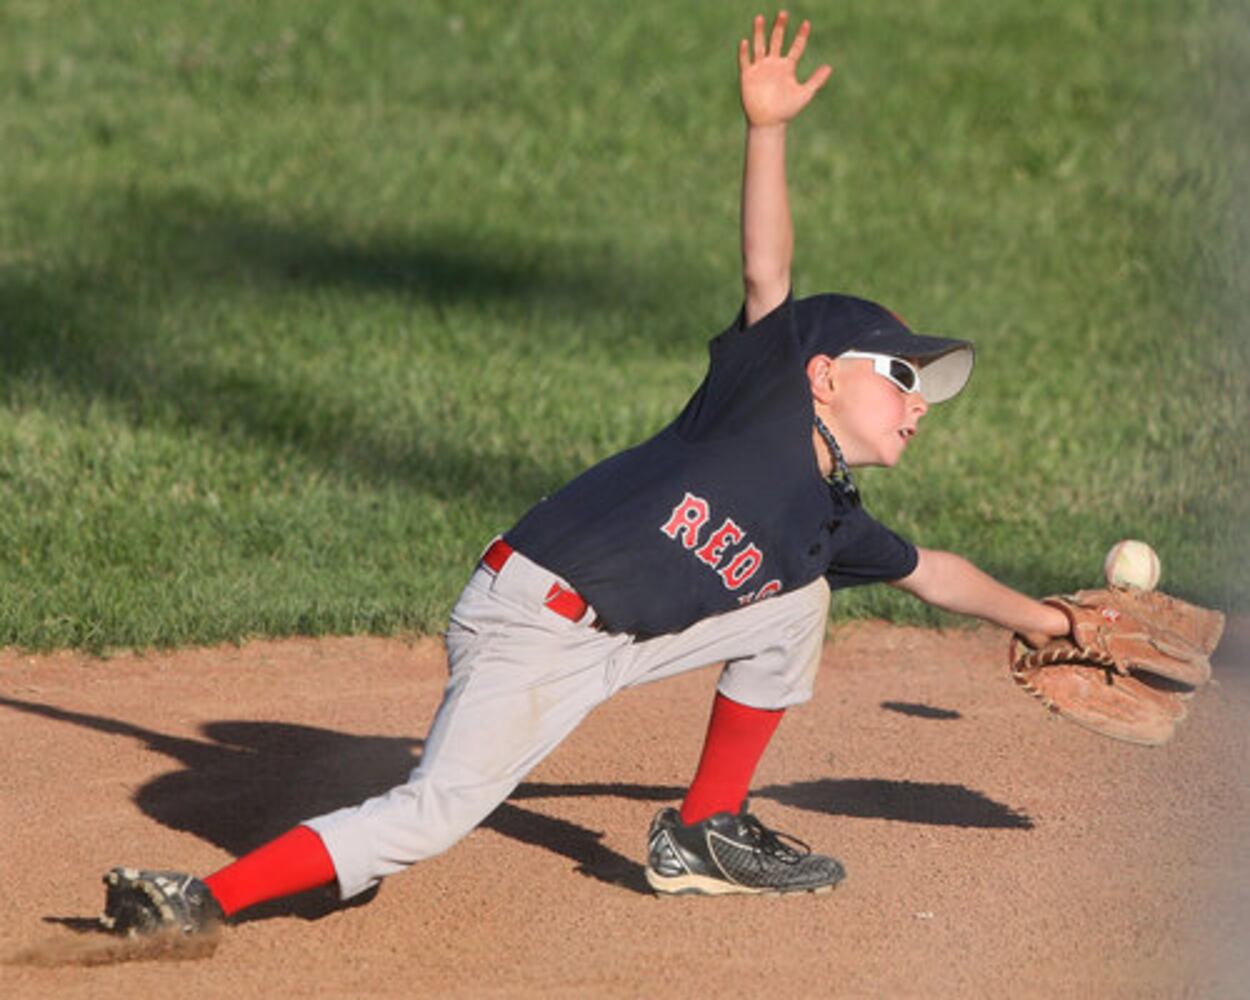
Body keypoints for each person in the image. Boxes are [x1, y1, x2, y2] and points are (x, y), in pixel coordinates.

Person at [100, 11, 1069, 935]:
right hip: (531, 621)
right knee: (433, 813)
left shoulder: (825, 519)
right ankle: (200, 898)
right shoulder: (760, 393)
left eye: (924, 391)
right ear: (819, 374)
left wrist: (1056, 622)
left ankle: (701, 833)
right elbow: (766, 273)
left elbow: (932, 572)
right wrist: (763, 131)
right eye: (900, 375)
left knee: (795, 606)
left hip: (619, 640)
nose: (918, 402)